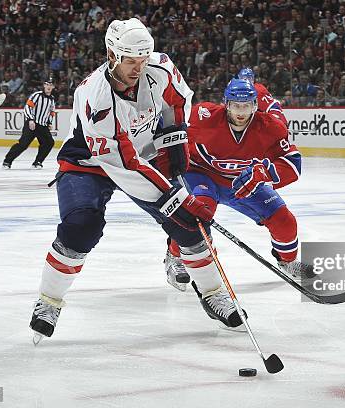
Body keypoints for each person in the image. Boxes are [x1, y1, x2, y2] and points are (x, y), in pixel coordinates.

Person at [29, 18, 247, 343]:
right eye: (131, 60)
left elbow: (176, 100)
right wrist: (178, 200)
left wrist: (173, 140)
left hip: (140, 157)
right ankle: (48, 301)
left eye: (143, 59)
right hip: (90, 163)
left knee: (189, 227)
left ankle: (213, 293)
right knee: (81, 226)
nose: (139, 67)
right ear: (111, 55)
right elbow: (124, 164)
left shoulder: (159, 68)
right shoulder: (95, 97)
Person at [163, 79, 312, 292]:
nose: (241, 112)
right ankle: (174, 257)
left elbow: (293, 163)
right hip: (202, 175)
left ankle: (287, 261)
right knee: (198, 212)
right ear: (226, 104)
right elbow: (172, 131)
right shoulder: (203, 116)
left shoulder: (270, 127)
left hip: (244, 182)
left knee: (283, 220)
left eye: (246, 106)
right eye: (235, 105)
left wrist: (264, 173)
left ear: (254, 105)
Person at [2, 78, 56, 169]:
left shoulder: (52, 99)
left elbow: (52, 112)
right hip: (32, 124)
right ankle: (7, 161)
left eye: (51, 85)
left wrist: (49, 122)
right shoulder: (36, 95)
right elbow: (28, 107)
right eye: (47, 84)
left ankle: (38, 162)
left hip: (43, 126)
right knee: (23, 144)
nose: (49, 86)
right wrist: (30, 119)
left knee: (49, 142)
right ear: (44, 85)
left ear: (53, 87)